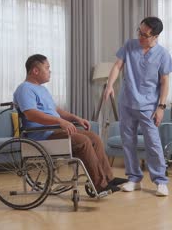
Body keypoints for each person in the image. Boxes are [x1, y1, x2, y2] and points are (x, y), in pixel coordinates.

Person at [13, 54, 127, 194]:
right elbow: (31, 114)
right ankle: (99, 185)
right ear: (35, 71)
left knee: (94, 138)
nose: (50, 71)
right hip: (41, 136)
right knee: (83, 141)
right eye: (47, 68)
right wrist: (60, 121)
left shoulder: (42, 89)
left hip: (53, 131)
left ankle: (108, 179)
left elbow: (56, 110)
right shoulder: (25, 89)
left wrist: (75, 118)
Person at [104, 17, 172, 197]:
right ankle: (134, 179)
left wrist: (161, 107)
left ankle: (160, 181)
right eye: (139, 32)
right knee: (128, 142)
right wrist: (110, 85)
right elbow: (117, 66)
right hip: (127, 102)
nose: (140, 37)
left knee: (153, 143)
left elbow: (165, 83)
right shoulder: (130, 45)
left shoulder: (163, 54)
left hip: (149, 106)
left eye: (145, 35)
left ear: (155, 36)